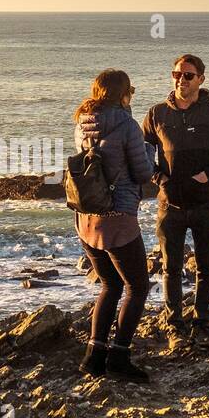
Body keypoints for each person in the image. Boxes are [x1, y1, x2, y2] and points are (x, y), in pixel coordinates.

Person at [141, 54, 209, 350]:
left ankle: (203, 323)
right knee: (171, 267)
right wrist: (159, 179)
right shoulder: (156, 113)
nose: (181, 79)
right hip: (170, 205)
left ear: (201, 79)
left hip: (206, 204)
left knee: (206, 267)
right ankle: (174, 325)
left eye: (188, 75)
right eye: (177, 74)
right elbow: (140, 153)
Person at [74, 69, 155, 382]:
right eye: (130, 92)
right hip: (117, 218)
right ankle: (119, 356)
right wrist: (149, 149)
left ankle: (94, 356)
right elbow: (142, 173)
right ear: (123, 94)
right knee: (137, 286)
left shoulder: (82, 123)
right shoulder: (127, 126)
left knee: (110, 284)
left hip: (86, 217)